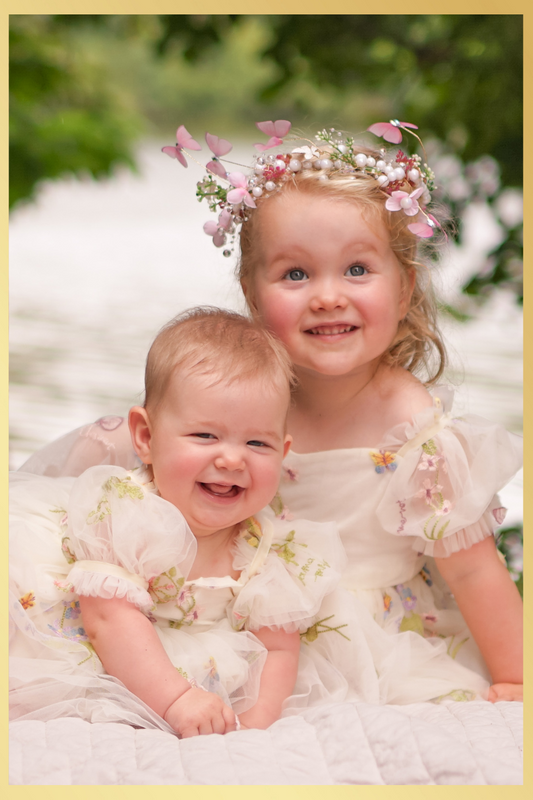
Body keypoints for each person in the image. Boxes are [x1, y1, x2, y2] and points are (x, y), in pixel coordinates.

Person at [16, 118, 523, 703]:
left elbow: (473, 571)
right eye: (295, 274)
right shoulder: (233, 395)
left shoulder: (413, 430)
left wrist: (514, 679)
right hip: (222, 614)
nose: (328, 294)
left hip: (354, 636)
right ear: (254, 294)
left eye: (357, 270)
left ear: (404, 289)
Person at [9, 308, 346, 736]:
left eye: (258, 442)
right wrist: (176, 698)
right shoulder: (125, 512)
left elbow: (278, 650)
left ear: (283, 451)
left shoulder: (269, 551)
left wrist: (256, 725)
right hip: (98, 635)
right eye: (205, 436)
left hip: (186, 656)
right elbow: (108, 619)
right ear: (146, 438)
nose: (230, 458)